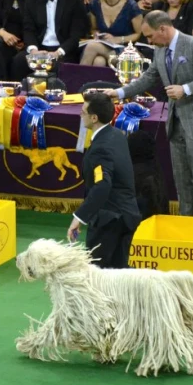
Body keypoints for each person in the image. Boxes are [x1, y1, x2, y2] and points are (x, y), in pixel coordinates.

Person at [104, 10, 193, 218]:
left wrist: (185, 89)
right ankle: (188, 221)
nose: (148, 41)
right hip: (176, 124)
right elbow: (148, 78)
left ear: (163, 29)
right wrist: (118, 92)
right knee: (182, 178)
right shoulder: (160, 50)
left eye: (150, 36)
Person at [68, 93, 142, 269]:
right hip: (127, 215)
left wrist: (79, 217)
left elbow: (102, 185)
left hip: (110, 221)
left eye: (83, 111)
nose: (80, 114)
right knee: (119, 274)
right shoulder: (117, 134)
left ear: (94, 118)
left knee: (97, 275)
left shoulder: (100, 148)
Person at [10, 0, 88, 81]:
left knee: (57, 67)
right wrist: (33, 50)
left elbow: (77, 33)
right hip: (39, 48)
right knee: (19, 61)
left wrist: (58, 53)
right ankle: (20, 95)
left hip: (64, 50)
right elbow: (28, 29)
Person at [81, 0, 142, 66]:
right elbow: (94, 29)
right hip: (103, 46)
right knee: (99, 61)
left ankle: (76, 77)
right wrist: (97, 35)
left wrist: (118, 39)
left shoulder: (131, 6)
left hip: (125, 50)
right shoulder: (95, 3)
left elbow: (138, 34)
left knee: (91, 46)